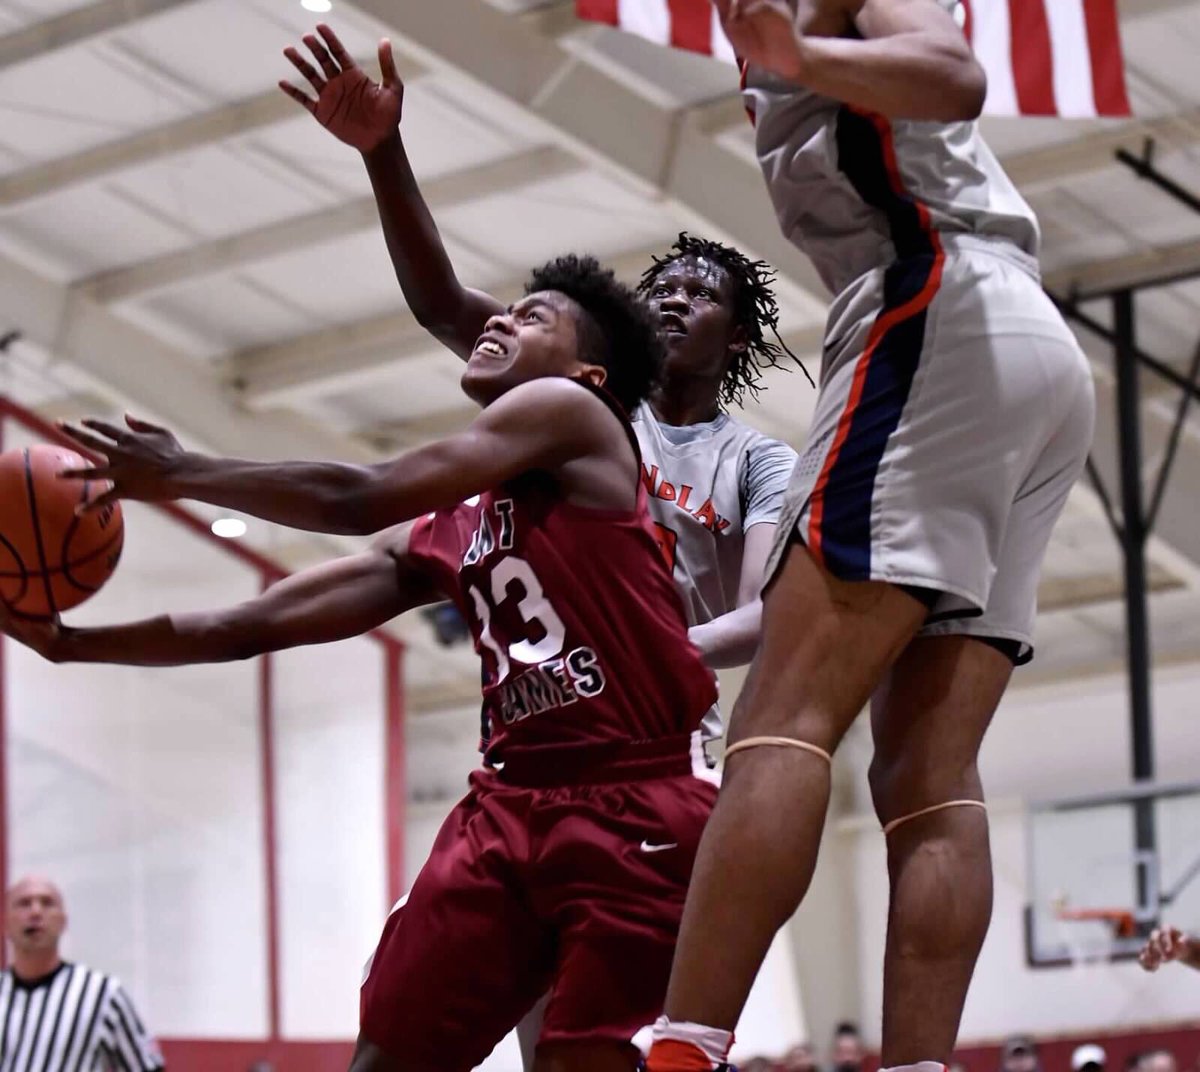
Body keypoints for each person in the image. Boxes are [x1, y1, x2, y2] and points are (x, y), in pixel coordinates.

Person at [5, 257, 719, 1072]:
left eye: (531, 319)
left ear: (588, 372)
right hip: (510, 800)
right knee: (385, 1055)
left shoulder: (578, 416)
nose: (497, 321)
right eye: (504, 313)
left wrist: (187, 475)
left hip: (638, 799)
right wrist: (71, 643)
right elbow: (250, 623)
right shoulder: (451, 531)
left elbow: (362, 495)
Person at [646, 2, 1096, 1070]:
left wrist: (801, 54)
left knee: (781, 716)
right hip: (1028, 356)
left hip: (936, 302)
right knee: (926, 770)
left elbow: (952, 71)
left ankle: (684, 1049)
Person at [275, 23, 801, 683]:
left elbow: (760, 614)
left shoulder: (760, 461)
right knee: (395, 556)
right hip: (543, 693)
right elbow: (440, 304)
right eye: (661, 290)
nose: (672, 301)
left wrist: (653, 650)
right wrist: (383, 151)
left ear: (736, 337)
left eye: (699, 295)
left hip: (655, 706)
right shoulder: (579, 394)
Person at [0, 875, 164, 1071]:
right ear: (5, 924)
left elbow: (145, 1066)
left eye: (47, 903)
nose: (36, 912)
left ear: (63, 922)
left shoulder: (103, 994)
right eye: (24, 904)